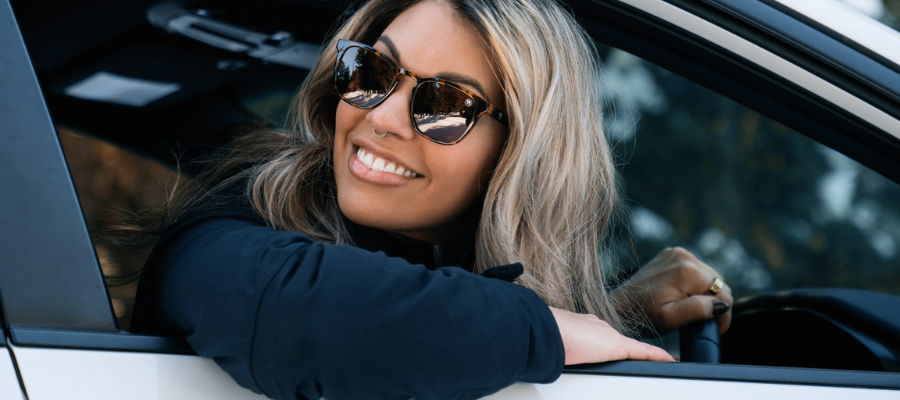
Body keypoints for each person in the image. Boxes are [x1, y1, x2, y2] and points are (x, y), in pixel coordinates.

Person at [130, 0, 734, 399]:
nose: (384, 116)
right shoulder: (232, 231)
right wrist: (540, 329)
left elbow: (421, 316)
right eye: (374, 70)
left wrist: (611, 313)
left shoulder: (460, 299)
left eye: (445, 105)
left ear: (521, 156)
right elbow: (296, 313)